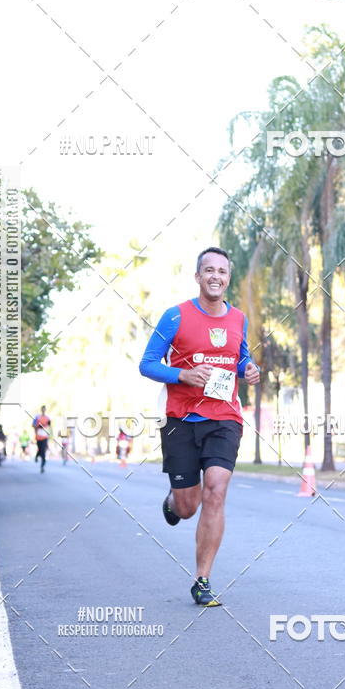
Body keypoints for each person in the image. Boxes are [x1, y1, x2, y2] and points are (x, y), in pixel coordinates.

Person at [139, 247, 260, 607]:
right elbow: (147, 364)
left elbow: (240, 359)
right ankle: (174, 503)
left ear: (228, 278)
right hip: (180, 419)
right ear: (198, 277)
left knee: (217, 489)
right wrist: (183, 375)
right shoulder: (175, 317)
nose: (216, 276)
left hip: (223, 418)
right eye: (209, 270)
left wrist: (248, 369)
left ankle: (202, 580)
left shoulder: (238, 318)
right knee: (188, 506)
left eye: (222, 271)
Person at [32, 405, 51, 473]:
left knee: (43, 451)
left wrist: (50, 435)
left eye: (44, 409)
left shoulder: (48, 417)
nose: (43, 410)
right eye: (42, 409)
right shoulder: (37, 417)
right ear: (41, 410)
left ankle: (42, 466)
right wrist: (38, 426)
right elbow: (33, 425)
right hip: (38, 437)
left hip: (45, 437)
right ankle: (37, 456)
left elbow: (49, 426)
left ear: (45, 410)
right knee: (40, 450)